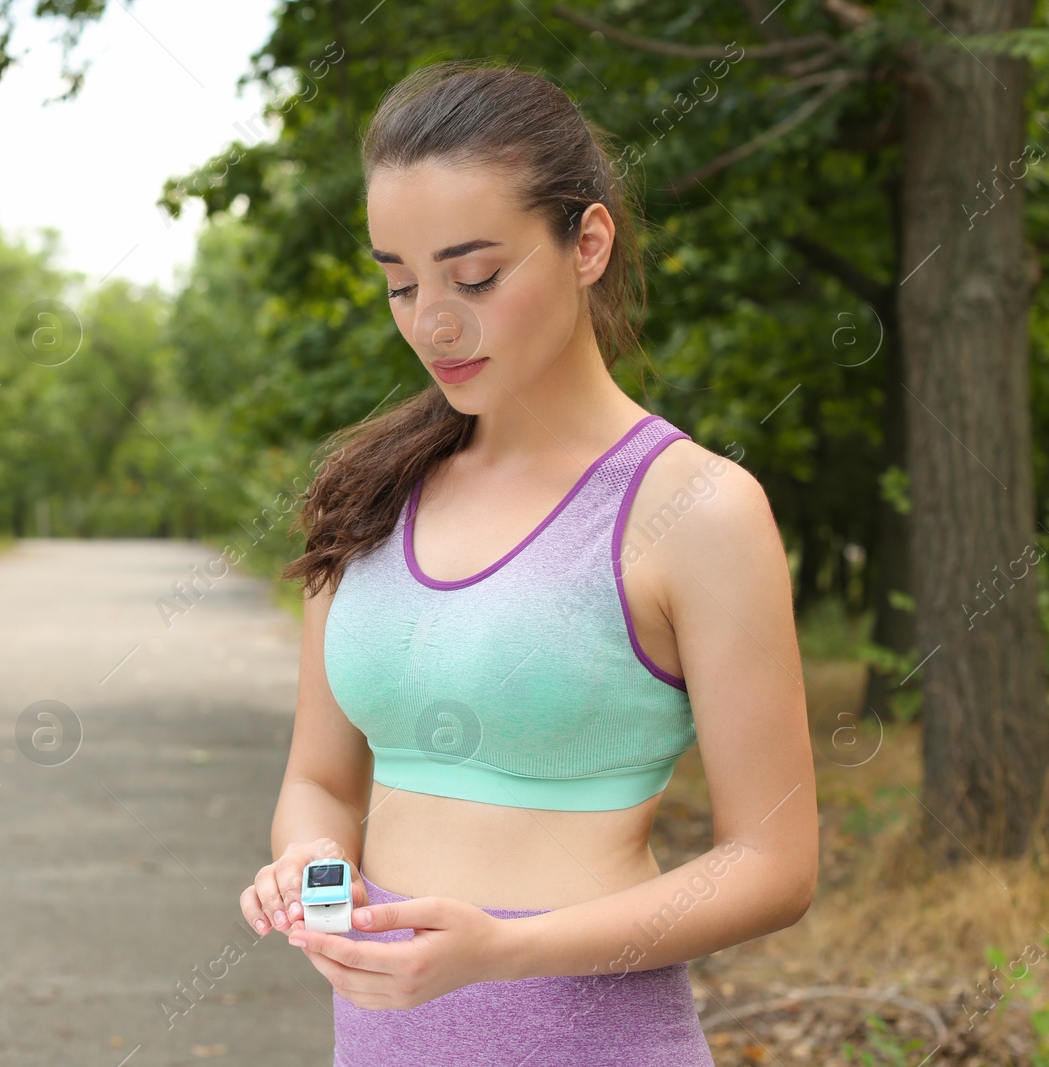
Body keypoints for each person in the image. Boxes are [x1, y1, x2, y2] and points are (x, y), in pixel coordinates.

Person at [238, 58, 819, 1066]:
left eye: (475, 277)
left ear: (586, 243)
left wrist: (507, 949)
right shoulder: (366, 495)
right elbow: (320, 779)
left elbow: (773, 863)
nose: (433, 322)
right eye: (399, 283)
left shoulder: (695, 509)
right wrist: (308, 858)